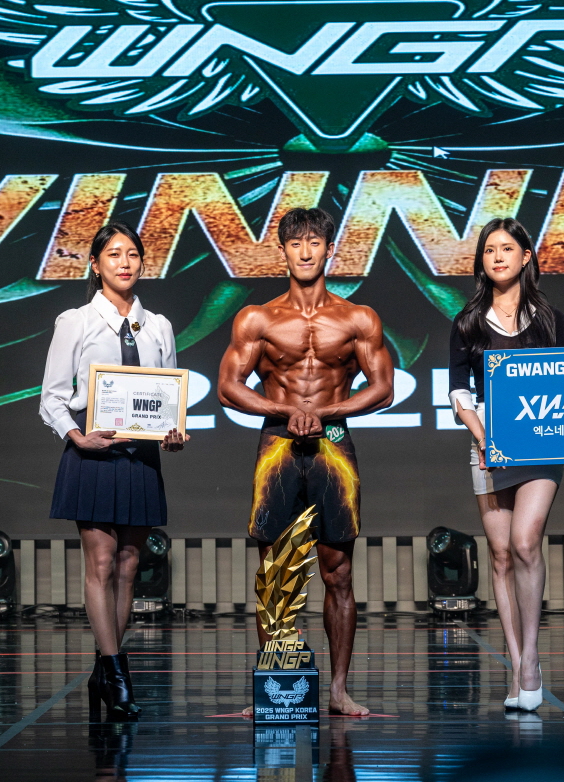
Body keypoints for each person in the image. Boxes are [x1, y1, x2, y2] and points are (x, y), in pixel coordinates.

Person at [217, 207, 394, 717]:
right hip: (277, 443)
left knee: (337, 572)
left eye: (315, 242)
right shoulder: (257, 318)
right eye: (296, 243)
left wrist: (326, 412)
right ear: (283, 251)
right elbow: (228, 387)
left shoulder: (358, 318)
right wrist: (285, 410)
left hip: (333, 444)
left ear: (329, 249)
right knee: (277, 572)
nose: (305, 251)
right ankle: (275, 687)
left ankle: (337, 690)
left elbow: (383, 387)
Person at [40, 221, 188, 720]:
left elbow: (168, 399)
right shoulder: (76, 321)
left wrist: (174, 433)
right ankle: (117, 672)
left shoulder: (159, 326)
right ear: (95, 264)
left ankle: (104, 671)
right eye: (114, 254)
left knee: (129, 565)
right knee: (101, 563)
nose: (125, 263)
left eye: (133, 254)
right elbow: (51, 397)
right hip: (93, 453)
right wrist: (77, 435)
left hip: (141, 457)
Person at [447, 218, 564, 712]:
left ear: (526, 256)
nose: (497, 257)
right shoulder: (467, 322)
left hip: (541, 444)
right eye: (489, 250)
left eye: (506, 248)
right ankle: (516, 664)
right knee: (500, 556)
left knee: (524, 542)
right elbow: (459, 391)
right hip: (487, 445)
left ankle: (532, 660)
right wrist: (482, 437)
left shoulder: (551, 320)